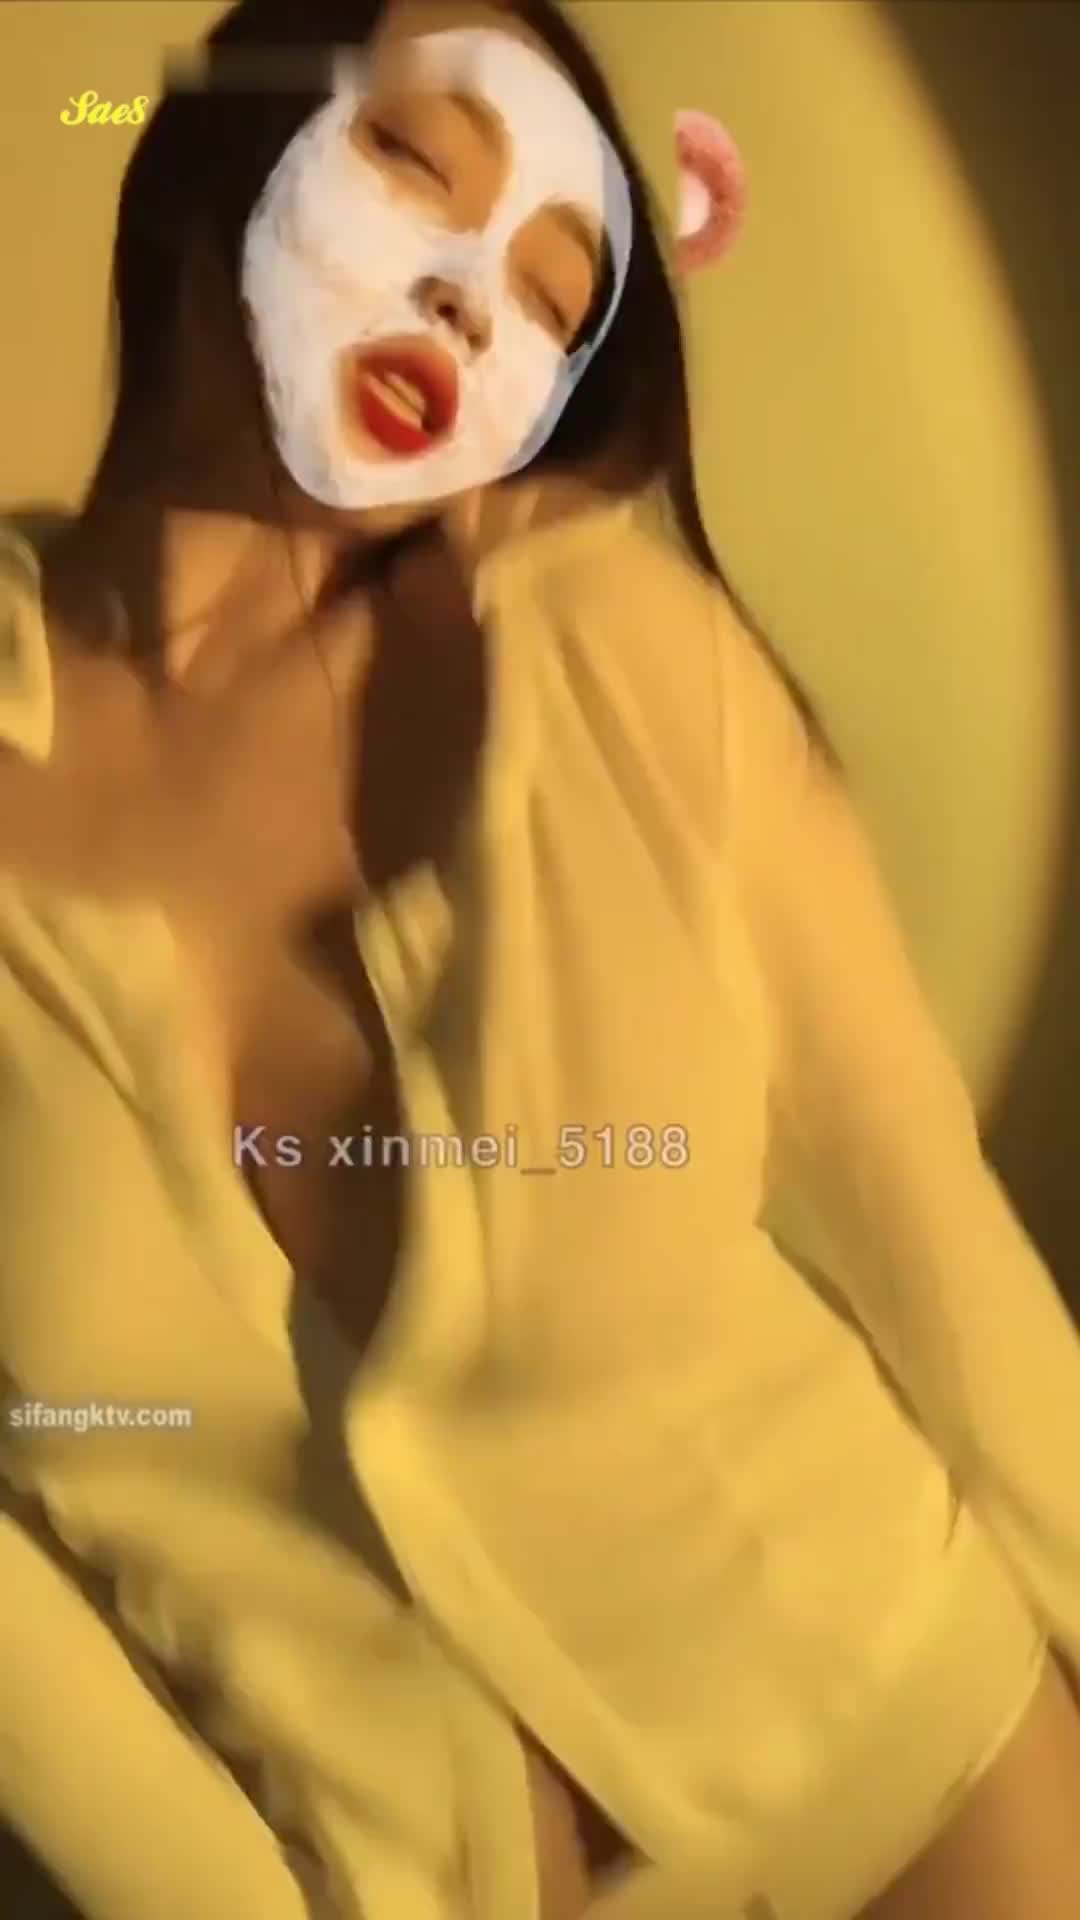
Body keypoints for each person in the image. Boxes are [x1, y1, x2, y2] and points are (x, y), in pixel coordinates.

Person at [2, 0, 1080, 1915]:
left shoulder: (614, 665)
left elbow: (963, 1298)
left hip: (943, 1796)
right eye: (417, 164)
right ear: (213, 163)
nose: (467, 293)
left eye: (549, 293)